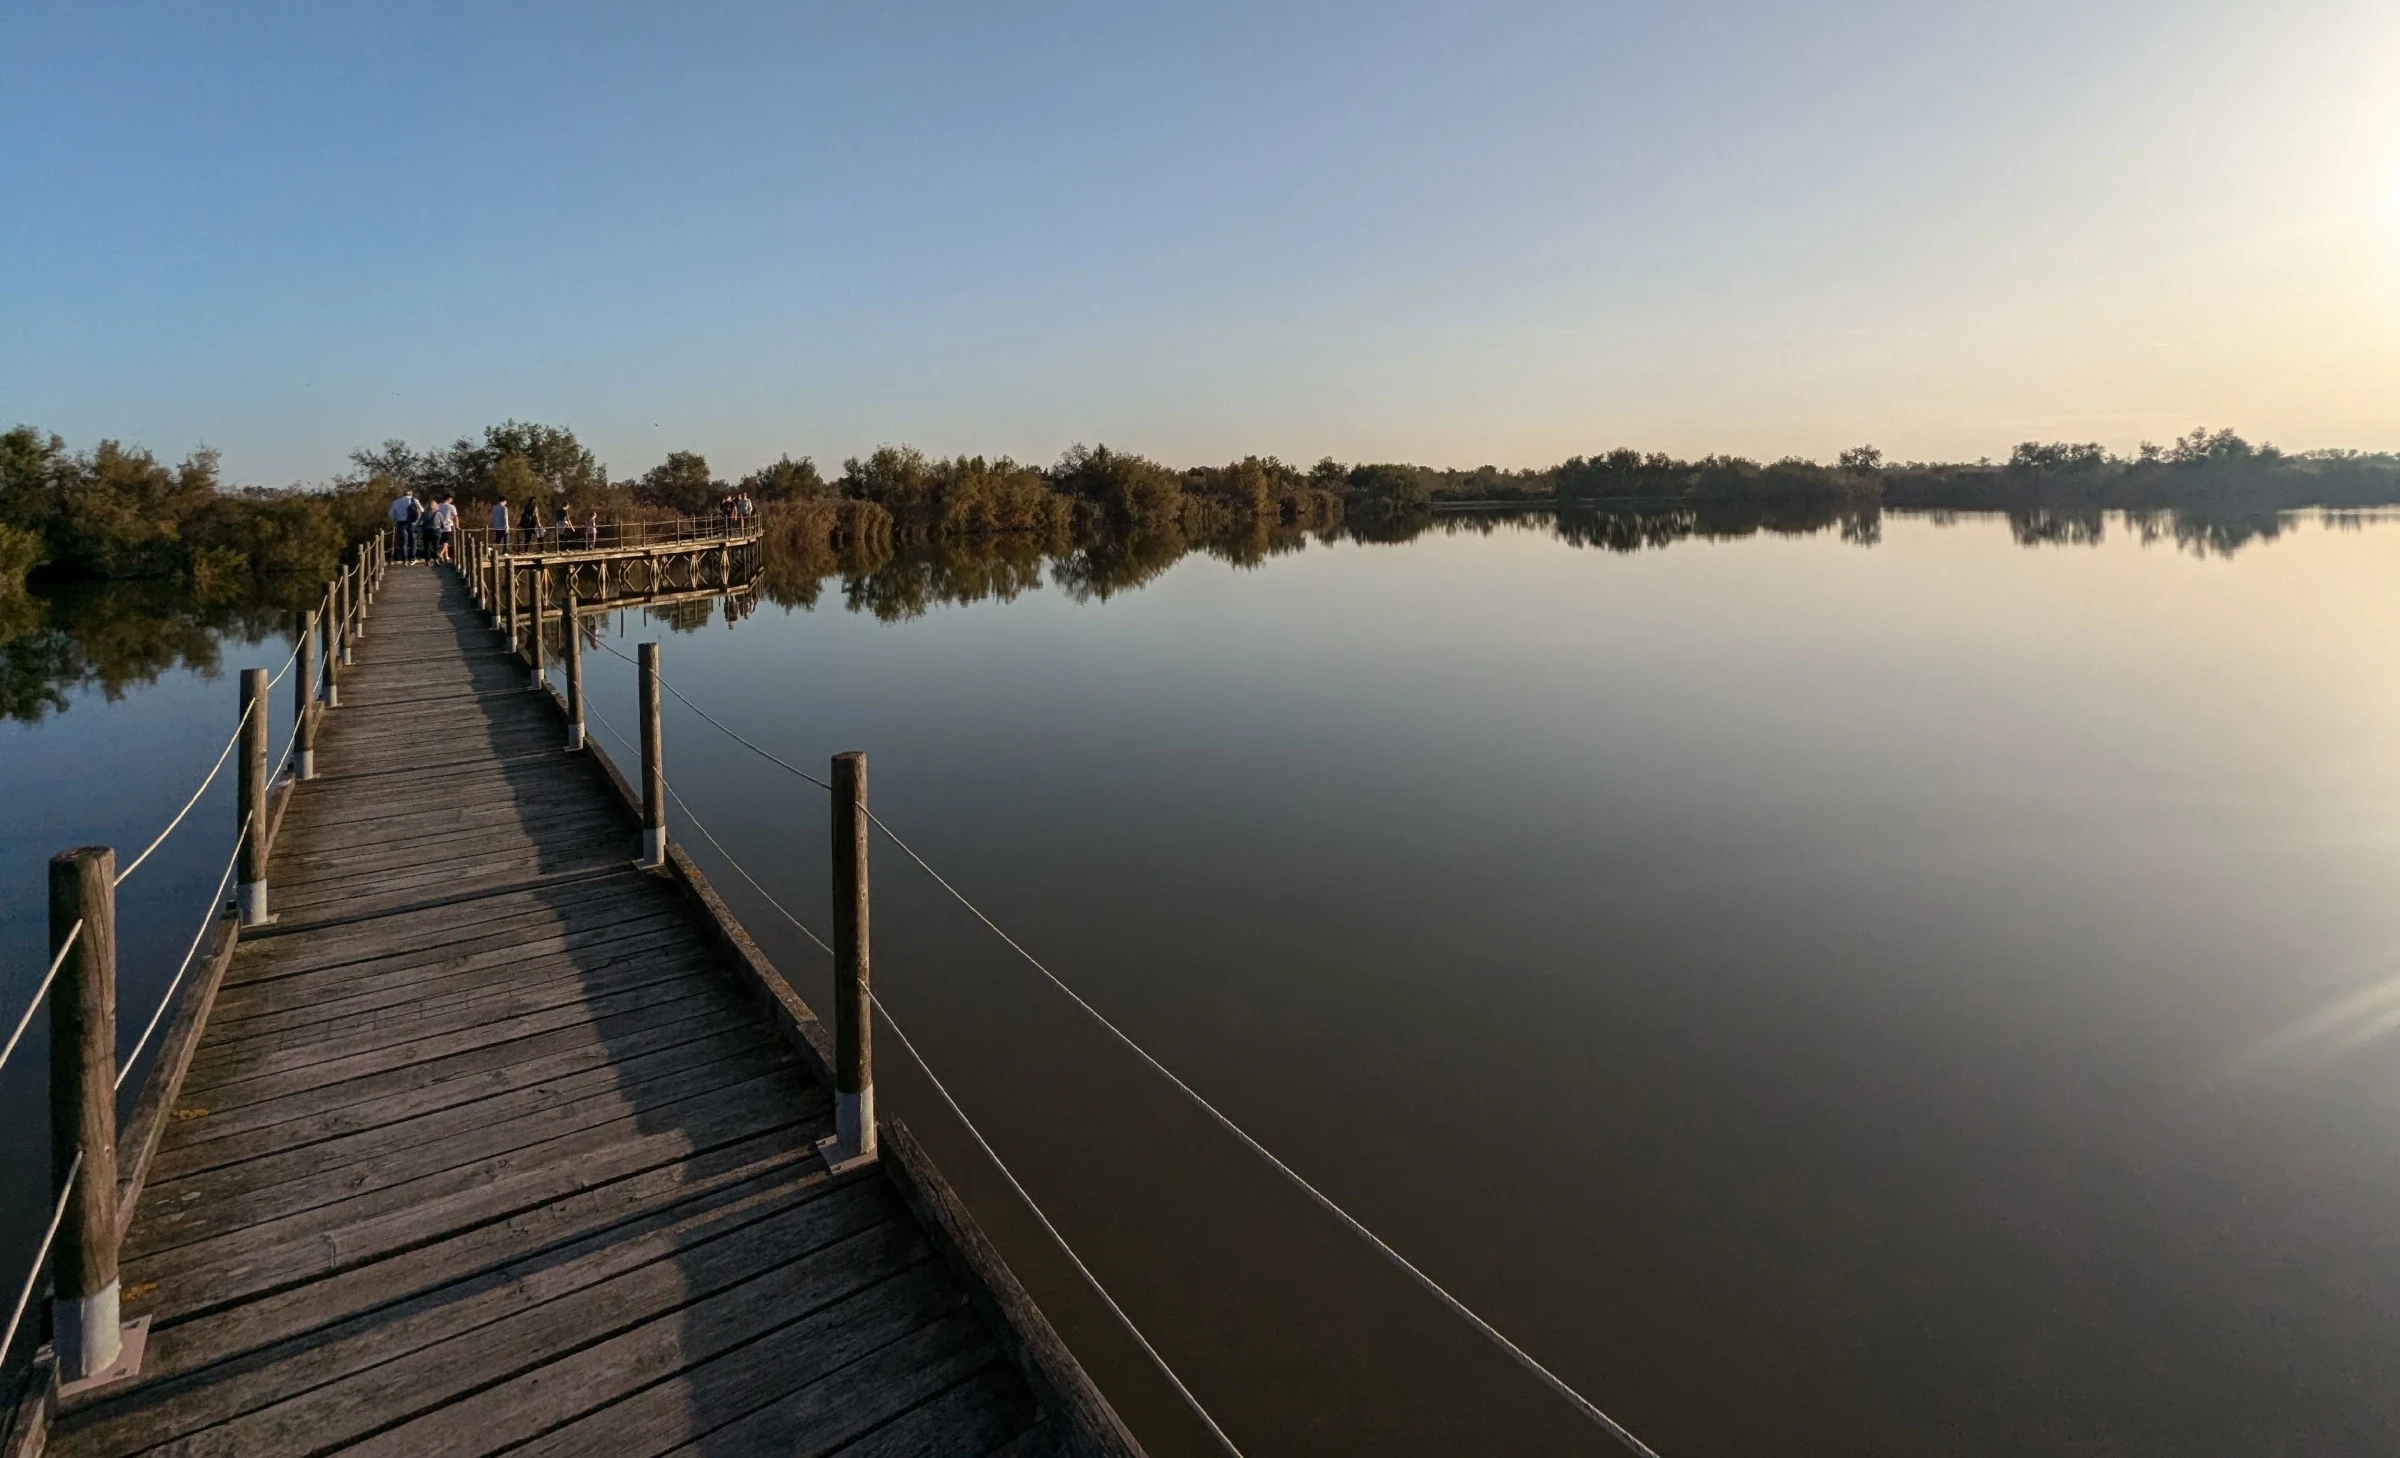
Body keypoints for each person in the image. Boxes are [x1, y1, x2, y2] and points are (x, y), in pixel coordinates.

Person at [387, 487, 421, 563]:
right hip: (411, 523)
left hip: (401, 523)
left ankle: (404, 560)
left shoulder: (396, 502)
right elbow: (422, 510)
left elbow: (390, 514)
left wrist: (396, 519)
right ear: (410, 494)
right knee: (413, 540)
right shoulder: (414, 501)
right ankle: (412, 558)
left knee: (403, 542)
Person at [429, 494, 460, 562]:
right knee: (446, 541)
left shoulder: (438, 505)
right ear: (449, 499)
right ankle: (440, 553)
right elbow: (455, 517)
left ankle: (445, 556)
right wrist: (457, 526)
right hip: (448, 525)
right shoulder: (451, 506)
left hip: (439, 525)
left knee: (443, 541)